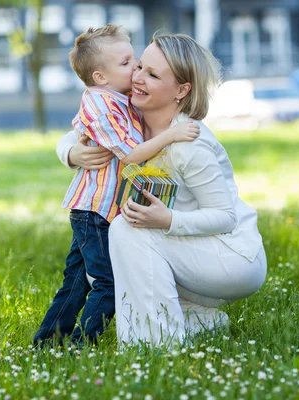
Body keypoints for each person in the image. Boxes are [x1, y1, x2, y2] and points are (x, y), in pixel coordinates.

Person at [57, 33, 267, 347]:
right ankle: (197, 320)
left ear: (181, 90)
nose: (137, 78)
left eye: (152, 75)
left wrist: (168, 220)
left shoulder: (188, 144)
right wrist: (72, 154)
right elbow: (82, 129)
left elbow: (225, 217)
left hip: (233, 259)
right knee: (118, 233)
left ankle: (153, 346)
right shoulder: (131, 112)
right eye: (139, 66)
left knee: (127, 229)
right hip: (188, 250)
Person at [34, 25, 200, 347]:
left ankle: (47, 342)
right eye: (126, 64)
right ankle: (83, 345)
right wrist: (172, 135)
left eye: (134, 59)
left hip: (98, 210)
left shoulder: (118, 97)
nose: (136, 68)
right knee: (107, 283)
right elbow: (133, 155)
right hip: (95, 211)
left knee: (76, 282)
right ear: (100, 77)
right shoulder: (101, 106)